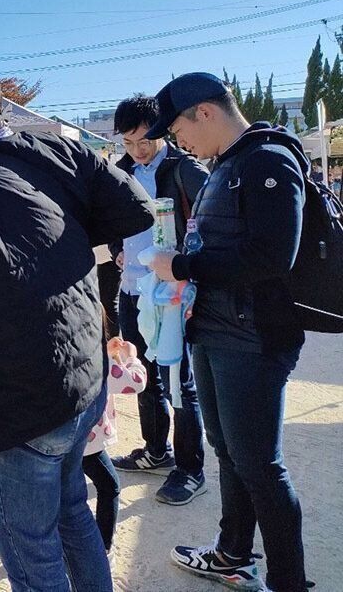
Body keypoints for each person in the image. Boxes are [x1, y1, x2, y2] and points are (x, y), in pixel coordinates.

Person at [0, 61, 154, 591]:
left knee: (32, 548)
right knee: (71, 511)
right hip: (82, 380)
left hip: (22, 401)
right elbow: (137, 207)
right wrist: (64, 239)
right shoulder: (54, 152)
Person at [144, 73, 312, 592]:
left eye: (175, 130)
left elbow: (272, 255)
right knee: (228, 451)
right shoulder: (226, 165)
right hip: (216, 333)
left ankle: (290, 582)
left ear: (205, 112)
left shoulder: (267, 160)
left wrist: (185, 267)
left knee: (261, 466)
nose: (176, 143)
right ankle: (233, 554)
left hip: (254, 339)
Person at [108, 94, 210, 506]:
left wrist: (186, 263)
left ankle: (191, 469)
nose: (137, 150)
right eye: (128, 143)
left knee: (180, 382)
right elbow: (113, 220)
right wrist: (117, 247)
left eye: (143, 141)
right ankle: (156, 451)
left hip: (171, 295)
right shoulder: (120, 171)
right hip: (132, 290)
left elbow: (209, 222)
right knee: (142, 374)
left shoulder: (183, 169)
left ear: (160, 130)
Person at [82, 335, 147, 558]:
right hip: (87, 443)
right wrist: (132, 357)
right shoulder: (98, 362)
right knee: (109, 486)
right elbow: (136, 381)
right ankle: (102, 548)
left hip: (61, 437)